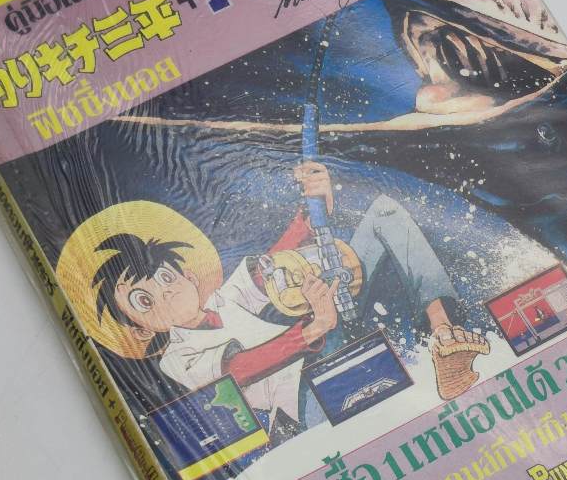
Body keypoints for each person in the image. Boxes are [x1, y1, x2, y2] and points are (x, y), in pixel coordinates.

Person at [63, 161, 489, 446]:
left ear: (187, 274)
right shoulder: (177, 358)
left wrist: (314, 202)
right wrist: (314, 328)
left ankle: (444, 335)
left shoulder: (226, 299)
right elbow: (239, 368)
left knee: (384, 213)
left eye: (164, 277)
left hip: (332, 341)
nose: (166, 292)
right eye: (144, 300)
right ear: (139, 327)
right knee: (334, 351)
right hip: (307, 404)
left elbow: (274, 259)